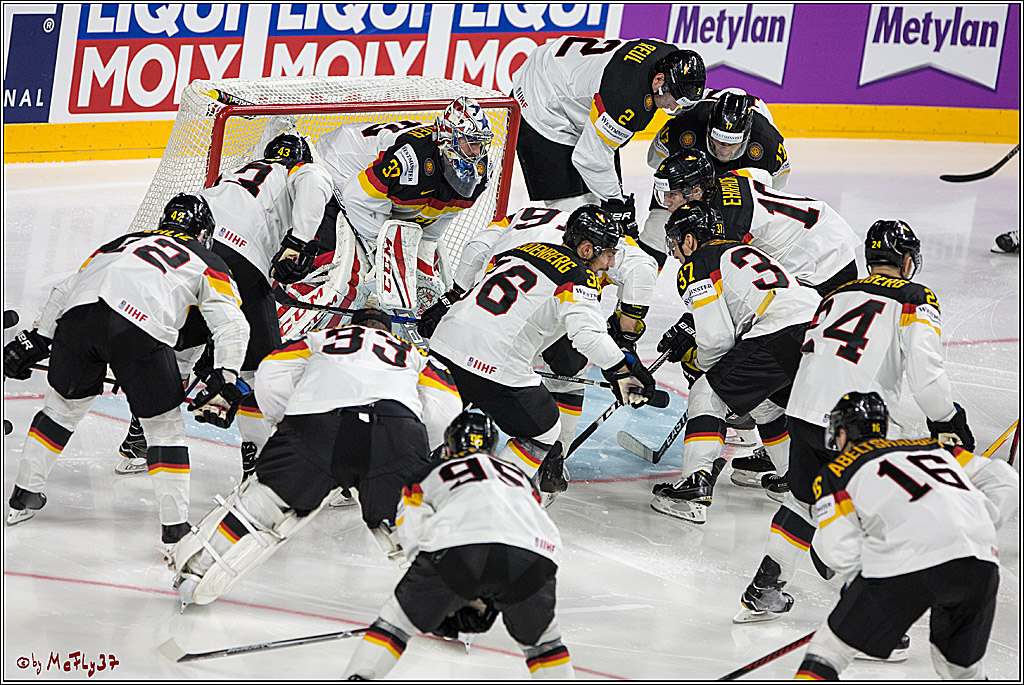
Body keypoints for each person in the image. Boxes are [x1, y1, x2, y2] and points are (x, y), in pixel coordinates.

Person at [735, 219, 979, 627]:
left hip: (803, 409)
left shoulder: (838, 293)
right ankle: (869, 620)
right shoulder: (915, 297)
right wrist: (947, 418)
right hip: (853, 419)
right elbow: (926, 377)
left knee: (801, 501)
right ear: (906, 261)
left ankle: (765, 588)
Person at [168, 308, 463, 609]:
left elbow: (270, 371)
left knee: (260, 505)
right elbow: (447, 406)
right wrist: (416, 449)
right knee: (404, 522)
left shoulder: (321, 337)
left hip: (317, 426)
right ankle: (449, 606)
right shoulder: (413, 353)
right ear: (390, 333)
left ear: (352, 326)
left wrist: (285, 424)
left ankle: (197, 571)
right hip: (394, 430)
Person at [3, 195, 250, 544]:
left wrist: (38, 338)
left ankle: (23, 495)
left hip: (79, 319)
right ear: (204, 232)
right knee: (164, 430)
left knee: (60, 409)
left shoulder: (119, 243)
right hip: (138, 329)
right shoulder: (209, 260)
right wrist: (227, 374)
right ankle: (175, 528)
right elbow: (232, 325)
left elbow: (65, 288)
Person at [117, 133, 334, 479]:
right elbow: (315, 182)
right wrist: (299, 244)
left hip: (184, 250)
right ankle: (260, 465)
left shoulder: (235, 172)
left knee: (180, 343)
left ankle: (142, 435)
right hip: (241, 259)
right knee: (256, 368)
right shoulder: (297, 171)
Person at [428, 206, 656, 503]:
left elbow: (477, 255)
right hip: (496, 363)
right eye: (609, 254)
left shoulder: (525, 248)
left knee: (438, 416)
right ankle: (489, 497)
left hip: (445, 342)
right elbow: (587, 337)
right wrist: (622, 368)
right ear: (587, 249)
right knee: (545, 427)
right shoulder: (579, 277)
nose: (612, 262)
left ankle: (416, 471)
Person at [793, 392, 1018, 680]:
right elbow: (1006, 478)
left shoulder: (836, 471)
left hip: (906, 565)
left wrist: (858, 581)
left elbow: (836, 549)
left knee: (827, 652)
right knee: (961, 670)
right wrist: (978, 525)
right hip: (980, 564)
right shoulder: (935, 448)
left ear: (844, 431)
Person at [341, 411, 573, 680]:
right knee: (546, 644)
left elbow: (413, 529)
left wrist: (439, 589)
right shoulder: (520, 478)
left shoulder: (430, 472)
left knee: (395, 624)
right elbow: (525, 526)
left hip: (460, 548)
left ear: (449, 445)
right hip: (536, 555)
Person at [650, 202, 819, 524]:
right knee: (766, 404)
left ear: (689, 240)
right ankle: (792, 481)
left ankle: (694, 487)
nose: (675, 254)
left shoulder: (696, 264)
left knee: (707, 394)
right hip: (815, 330)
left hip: (780, 330)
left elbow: (715, 341)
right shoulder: (738, 251)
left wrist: (702, 370)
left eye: (675, 243)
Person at [313, 97, 495, 316]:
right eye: (470, 142)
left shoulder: (481, 174)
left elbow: (439, 218)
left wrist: (421, 261)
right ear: (447, 138)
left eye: (481, 143)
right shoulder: (411, 160)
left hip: (382, 186)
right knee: (351, 271)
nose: (477, 151)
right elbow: (356, 197)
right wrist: (380, 252)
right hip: (340, 164)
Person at [511, 35, 704, 230]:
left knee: (603, 205)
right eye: (675, 100)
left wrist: (615, 203)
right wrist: (617, 203)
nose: (674, 108)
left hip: (563, 69)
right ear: (659, 80)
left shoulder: (670, 58)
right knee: (575, 215)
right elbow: (589, 158)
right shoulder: (625, 97)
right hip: (538, 97)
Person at [640, 150, 857, 293]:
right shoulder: (729, 178)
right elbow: (764, 177)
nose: (666, 203)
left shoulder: (724, 223)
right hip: (825, 225)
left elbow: (730, 286)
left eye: (673, 196)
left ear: (696, 191)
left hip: (822, 260)